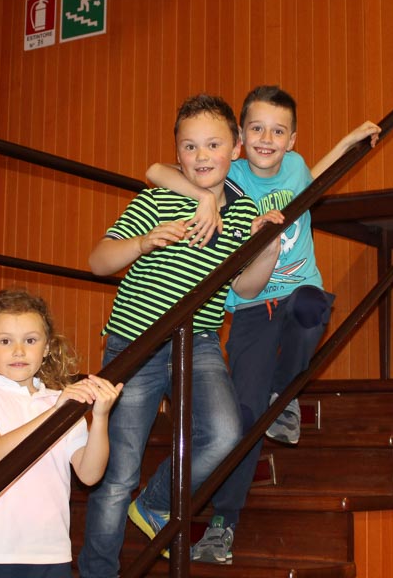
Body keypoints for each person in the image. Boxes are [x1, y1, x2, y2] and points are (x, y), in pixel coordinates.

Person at [147, 85, 380, 564]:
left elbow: (315, 178)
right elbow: (157, 172)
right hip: (251, 307)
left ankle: (284, 392)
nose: (266, 139)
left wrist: (349, 140)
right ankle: (223, 523)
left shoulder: (295, 167)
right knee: (245, 417)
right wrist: (204, 198)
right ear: (239, 138)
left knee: (313, 308)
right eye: (256, 129)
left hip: (298, 294)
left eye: (277, 132)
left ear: (291, 140)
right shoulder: (228, 175)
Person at [77, 94, 284, 578]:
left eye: (213, 144)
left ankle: (155, 502)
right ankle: (98, 572)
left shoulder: (243, 212)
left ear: (235, 149)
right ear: (178, 152)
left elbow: (245, 288)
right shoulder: (157, 200)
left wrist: (268, 248)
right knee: (117, 473)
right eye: (189, 147)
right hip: (136, 344)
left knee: (225, 434)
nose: (201, 156)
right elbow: (98, 261)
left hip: (199, 341)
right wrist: (142, 242)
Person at [0, 289, 122, 578]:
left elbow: (89, 474)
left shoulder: (61, 401)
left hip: (51, 552)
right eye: (5, 341)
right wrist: (57, 411)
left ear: (47, 347)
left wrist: (100, 418)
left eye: (30, 340)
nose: (19, 351)